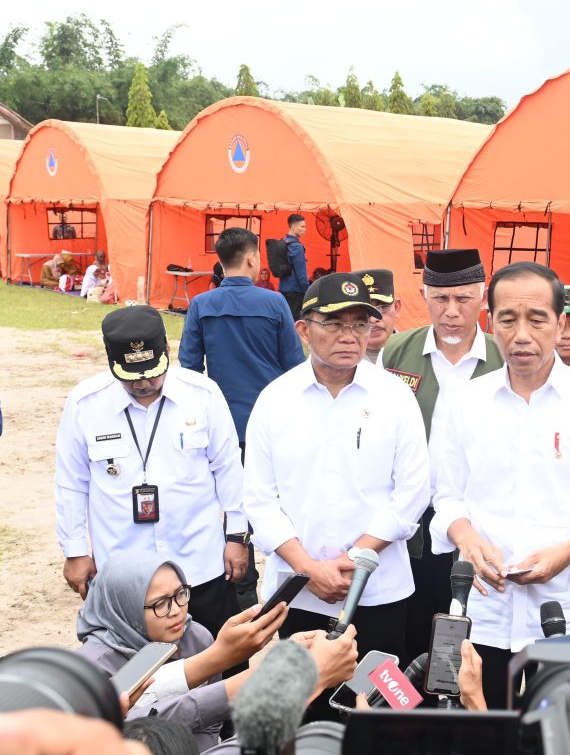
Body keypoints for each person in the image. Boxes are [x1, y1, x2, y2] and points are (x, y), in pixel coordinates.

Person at [429, 262, 570, 709]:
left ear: (562, 322)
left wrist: (566, 553)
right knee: (476, 731)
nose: (521, 334)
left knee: (563, 733)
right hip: (481, 609)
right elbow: (446, 495)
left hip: (565, 610)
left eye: (537, 319)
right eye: (508, 319)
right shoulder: (464, 402)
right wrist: (466, 538)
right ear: (490, 322)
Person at [243, 272, 429, 717]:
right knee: (307, 707)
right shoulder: (275, 399)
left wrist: (355, 562)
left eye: (360, 324)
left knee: (381, 703)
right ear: (303, 329)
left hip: (379, 590)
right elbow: (259, 499)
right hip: (301, 593)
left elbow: (413, 490)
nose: (350, 337)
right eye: (335, 324)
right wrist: (309, 569)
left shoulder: (395, 397)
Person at [55, 306, 249, 647]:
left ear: (167, 353)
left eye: (152, 372)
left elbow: (229, 468)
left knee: (219, 665)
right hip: (123, 573)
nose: (143, 383)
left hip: (198, 563)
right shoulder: (86, 404)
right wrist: (75, 551)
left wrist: (236, 537)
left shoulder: (202, 395)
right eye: (131, 375)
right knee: (131, 677)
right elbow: (71, 482)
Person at [379, 248, 504, 663]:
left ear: (482, 298)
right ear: (423, 295)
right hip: (411, 523)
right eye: (440, 299)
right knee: (411, 635)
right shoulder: (397, 354)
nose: (451, 312)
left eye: (463, 299)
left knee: (472, 640)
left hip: (479, 525)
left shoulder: (504, 358)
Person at [178, 227, 305, 608]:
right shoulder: (275, 303)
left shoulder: (202, 304)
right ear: (252, 258)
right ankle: (290, 575)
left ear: (219, 259)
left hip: (222, 424)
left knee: (233, 504)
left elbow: (187, 367)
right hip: (271, 422)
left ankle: (241, 582)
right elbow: (294, 366)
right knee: (279, 501)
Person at [76, 552, 284, 750]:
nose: (176, 611)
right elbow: (126, 734)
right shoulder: (93, 667)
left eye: (180, 594)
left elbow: (212, 723)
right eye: (160, 604)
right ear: (123, 607)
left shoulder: (196, 636)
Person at [352, 268, 401, 364]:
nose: (373, 319)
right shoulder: (335, 363)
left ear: (397, 307)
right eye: (364, 311)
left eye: (382, 307)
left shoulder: (418, 352)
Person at [278, 214, 311, 320]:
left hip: (283, 288)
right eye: (302, 226)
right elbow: (301, 273)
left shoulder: (282, 242)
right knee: (295, 322)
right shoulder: (297, 247)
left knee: (285, 319)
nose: (304, 229)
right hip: (296, 291)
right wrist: (308, 290)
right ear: (293, 227)